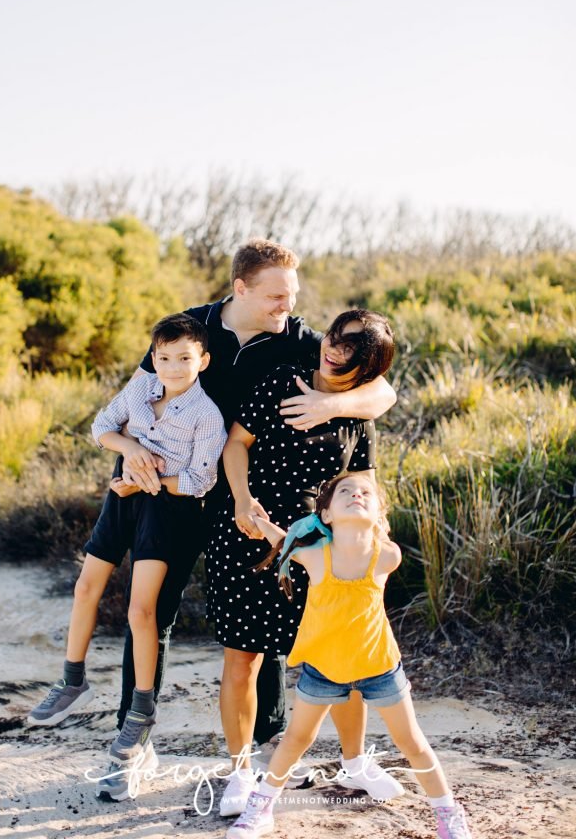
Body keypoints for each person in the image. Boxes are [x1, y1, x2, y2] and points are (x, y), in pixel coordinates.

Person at [105, 239, 396, 799]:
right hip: (175, 494)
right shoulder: (189, 329)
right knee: (152, 615)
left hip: (265, 513)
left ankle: (270, 741)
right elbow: (140, 397)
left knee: (270, 637)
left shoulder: (297, 340)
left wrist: (333, 406)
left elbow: (380, 385)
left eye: (293, 296)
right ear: (240, 288)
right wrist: (127, 453)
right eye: (276, 296)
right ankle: (134, 743)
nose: (287, 308)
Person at [210, 308, 396, 816]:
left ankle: (355, 764)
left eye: (353, 347)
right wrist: (243, 501)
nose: (336, 348)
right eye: (336, 336)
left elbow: (364, 485)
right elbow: (236, 443)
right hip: (249, 532)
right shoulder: (282, 380)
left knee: (339, 661)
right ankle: (240, 772)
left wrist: (370, 540)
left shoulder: (359, 415)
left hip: (317, 553)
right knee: (242, 659)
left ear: (369, 363)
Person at [26, 313, 226, 766]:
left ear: (203, 360)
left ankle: (141, 709)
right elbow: (102, 427)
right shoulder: (140, 390)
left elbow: (200, 480)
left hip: (167, 512)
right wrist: (131, 449)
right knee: (86, 588)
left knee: (142, 611)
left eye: (183, 358)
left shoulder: (206, 414)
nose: (172, 367)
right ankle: (72, 679)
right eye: (163, 357)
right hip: (121, 499)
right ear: (153, 358)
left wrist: (145, 479)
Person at [227, 472, 474, 839]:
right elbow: (283, 541)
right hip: (323, 670)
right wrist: (258, 521)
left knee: (413, 743)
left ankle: (448, 814)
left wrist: (377, 524)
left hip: (379, 669)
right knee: (296, 739)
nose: (356, 494)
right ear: (325, 515)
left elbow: (374, 535)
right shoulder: (316, 557)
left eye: (365, 493)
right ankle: (261, 807)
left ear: (378, 515)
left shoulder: (385, 556)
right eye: (345, 492)